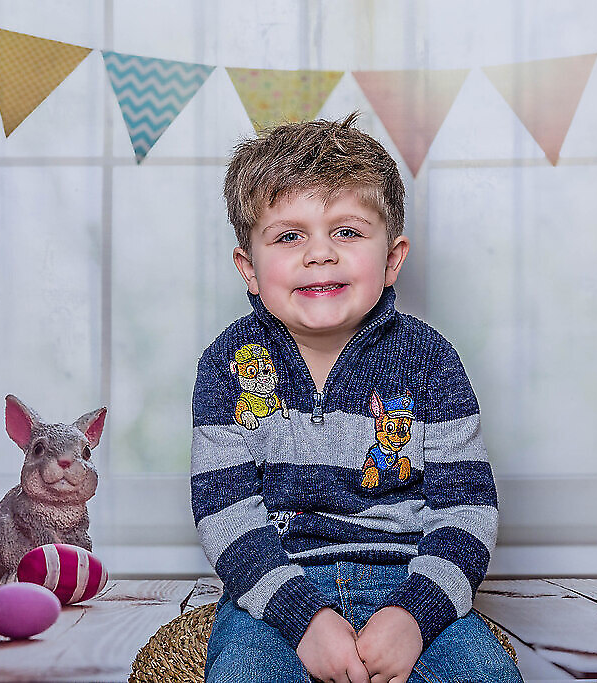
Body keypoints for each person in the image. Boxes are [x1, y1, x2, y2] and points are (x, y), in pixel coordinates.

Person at [191, 112, 522, 683]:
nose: (319, 254)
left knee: (485, 675)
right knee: (243, 671)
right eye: (289, 236)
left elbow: (466, 509)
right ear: (249, 269)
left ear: (391, 259)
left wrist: (414, 615)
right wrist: (303, 619)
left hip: (410, 584)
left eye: (346, 231)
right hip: (277, 591)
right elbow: (226, 514)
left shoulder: (429, 359)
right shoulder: (226, 364)